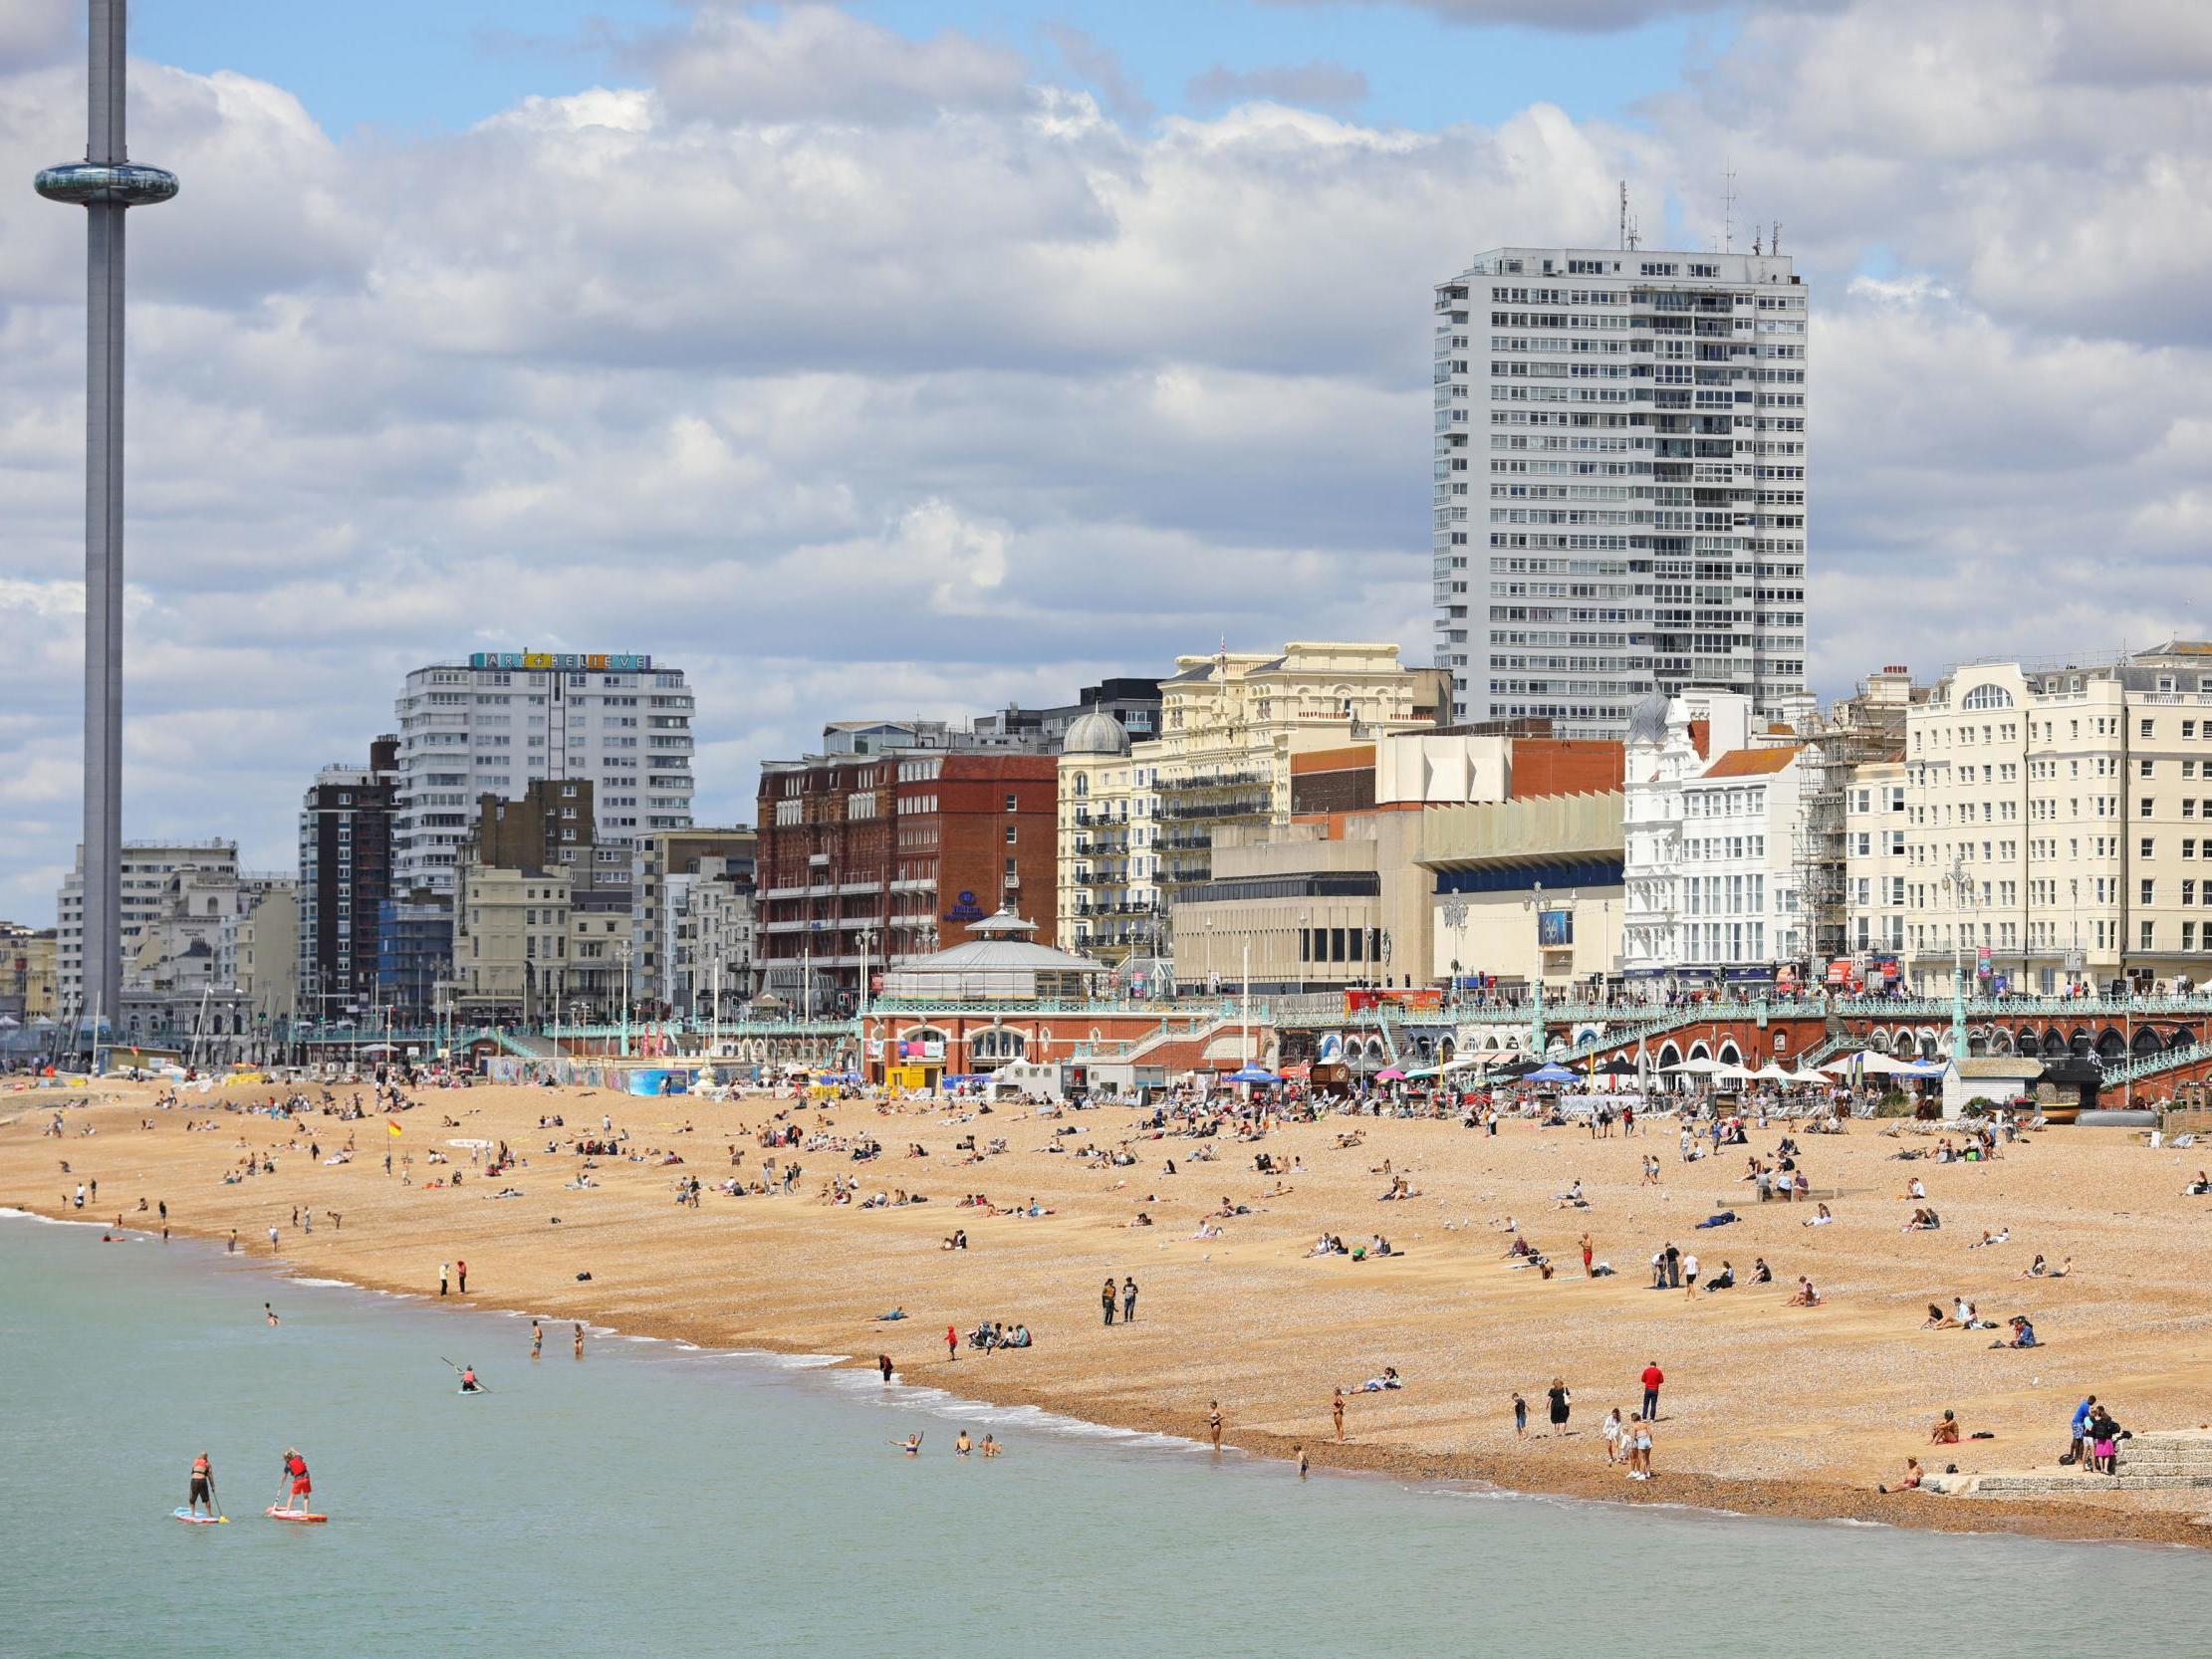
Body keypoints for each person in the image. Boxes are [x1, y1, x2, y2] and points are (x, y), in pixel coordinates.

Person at [280, 1447, 311, 1512]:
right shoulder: (298, 1457)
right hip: (306, 1479)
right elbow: (298, 1453)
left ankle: (287, 1512)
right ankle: (306, 1513)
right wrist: (293, 1450)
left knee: (292, 1496)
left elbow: (284, 1477)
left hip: (298, 1481)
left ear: (286, 1458)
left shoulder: (288, 1465)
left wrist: (281, 1484)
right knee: (306, 1497)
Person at [187, 1451, 216, 1518]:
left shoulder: (195, 1461)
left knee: (192, 1498)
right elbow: (210, 1476)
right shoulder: (208, 1464)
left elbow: (192, 1472)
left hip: (194, 1480)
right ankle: (209, 1514)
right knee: (206, 1499)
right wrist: (213, 1486)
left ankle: (193, 1514)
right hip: (202, 1480)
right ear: (206, 1457)